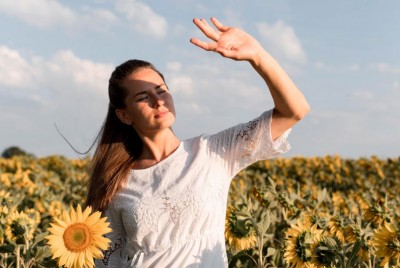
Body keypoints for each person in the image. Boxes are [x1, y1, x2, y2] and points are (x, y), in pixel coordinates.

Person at [88, 17, 310, 267]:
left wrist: (257, 56)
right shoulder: (117, 182)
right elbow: (107, 262)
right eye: (143, 97)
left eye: (161, 90)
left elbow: (294, 111)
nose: (158, 100)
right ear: (124, 115)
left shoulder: (213, 151)